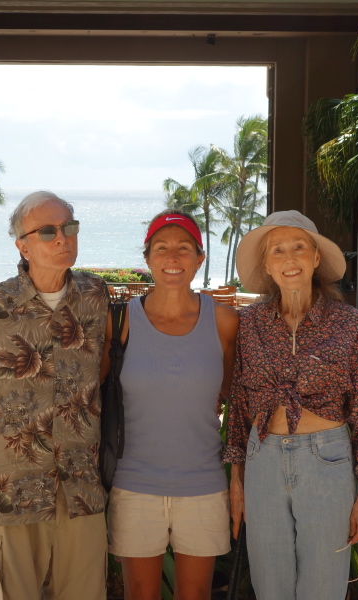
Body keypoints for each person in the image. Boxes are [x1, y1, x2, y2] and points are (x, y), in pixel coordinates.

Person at [0, 190, 110, 600]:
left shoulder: (96, 298)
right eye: (48, 230)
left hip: (80, 493)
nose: (62, 238)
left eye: (69, 227)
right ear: (22, 244)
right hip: (7, 494)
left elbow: (105, 373)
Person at [224, 210, 358, 600]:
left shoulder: (350, 323)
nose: (289, 258)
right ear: (267, 265)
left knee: (323, 587)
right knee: (270, 586)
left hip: (327, 461)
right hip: (262, 459)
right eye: (278, 250)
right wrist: (236, 479)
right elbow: (241, 404)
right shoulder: (250, 323)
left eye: (299, 247)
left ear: (316, 258)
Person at [100, 210, 240, 600]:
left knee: (195, 595)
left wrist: (242, 475)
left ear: (200, 258)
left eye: (184, 248)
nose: (173, 257)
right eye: (162, 248)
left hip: (204, 483)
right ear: (147, 259)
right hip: (134, 484)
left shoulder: (225, 322)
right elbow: (94, 396)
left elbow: (239, 400)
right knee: (140, 594)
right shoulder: (120, 322)